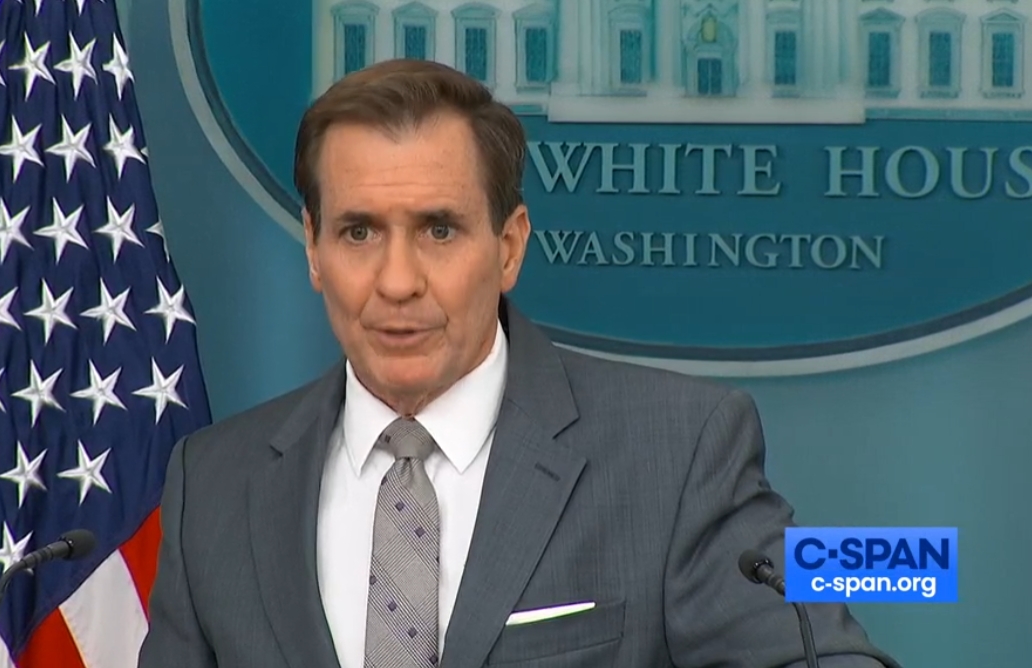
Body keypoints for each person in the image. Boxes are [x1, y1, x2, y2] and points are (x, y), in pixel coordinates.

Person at [137, 59, 899, 668]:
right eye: (359, 232)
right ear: (313, 249)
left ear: (508, 248)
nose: (397, 282)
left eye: (438, 231)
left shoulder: (680, 452)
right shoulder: (213, 484)